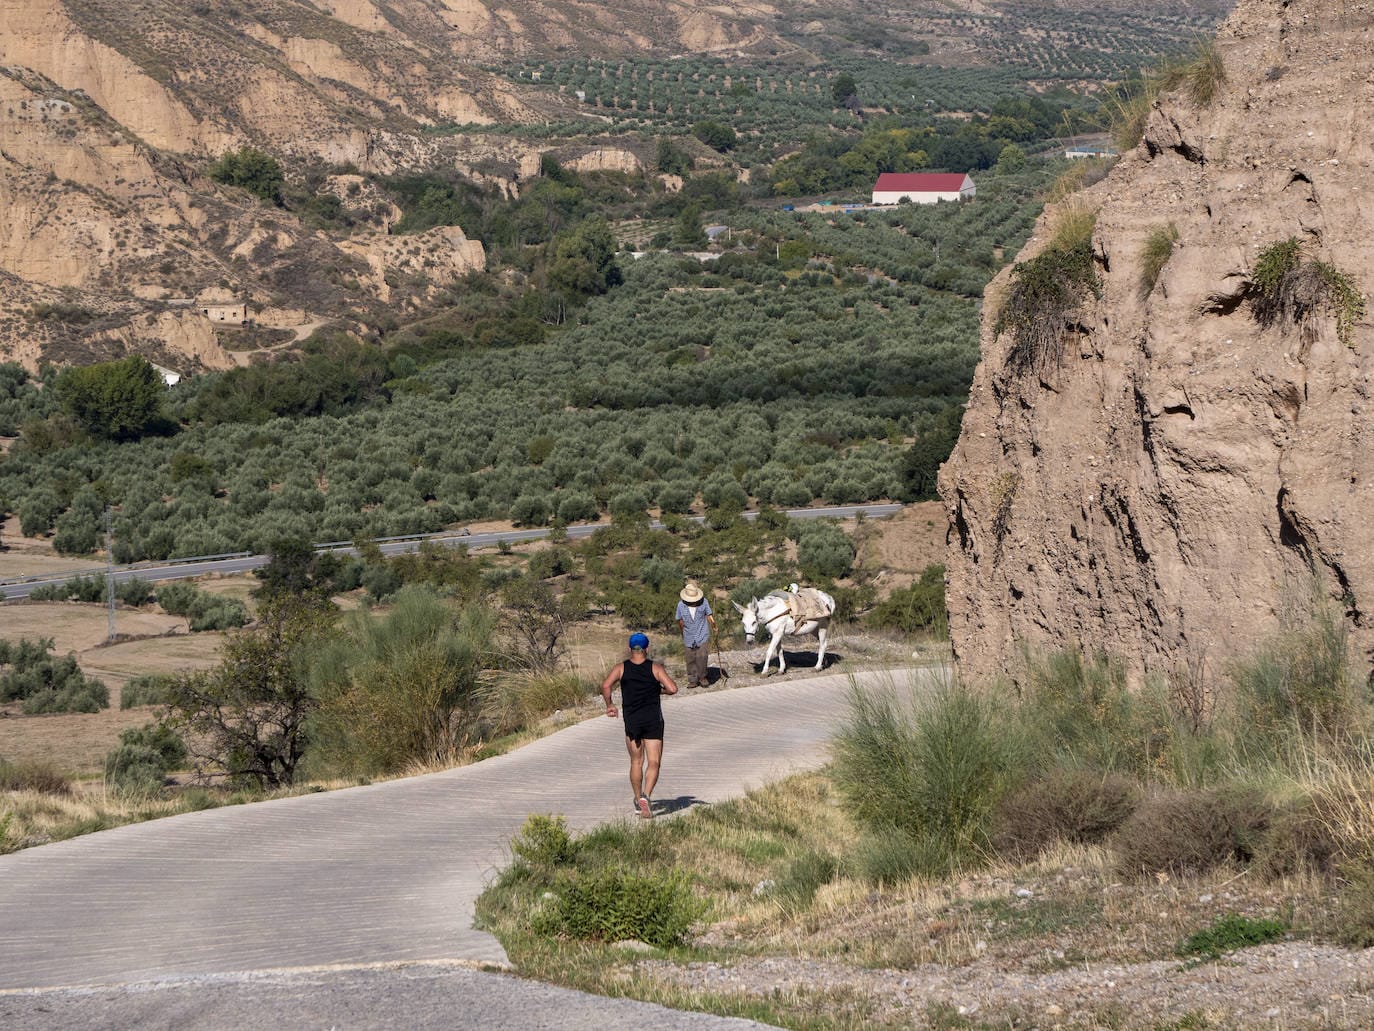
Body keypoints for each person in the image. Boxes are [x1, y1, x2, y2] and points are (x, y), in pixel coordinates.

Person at [601, 632, 678, 818]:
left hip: (632, 721)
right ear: (647, 649)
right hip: (652, 719)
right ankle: (646, 795)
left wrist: (610, 705)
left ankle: (637, 800)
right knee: (654, 762)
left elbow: (605, 686)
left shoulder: (621, 668)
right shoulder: (655, 668)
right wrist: (659, 691)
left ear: (629, 649)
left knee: (636, 761)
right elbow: (673, 688)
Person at [675, 581, 716, 688]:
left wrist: (714, 625)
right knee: (690, 658)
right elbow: (680, 621)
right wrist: (682, 633)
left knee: (702, 656)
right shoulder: (680, 605)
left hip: (702, 633)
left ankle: (702, 677)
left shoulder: (704, 602)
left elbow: (709, 614)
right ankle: (692, 679)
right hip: (688, 634)